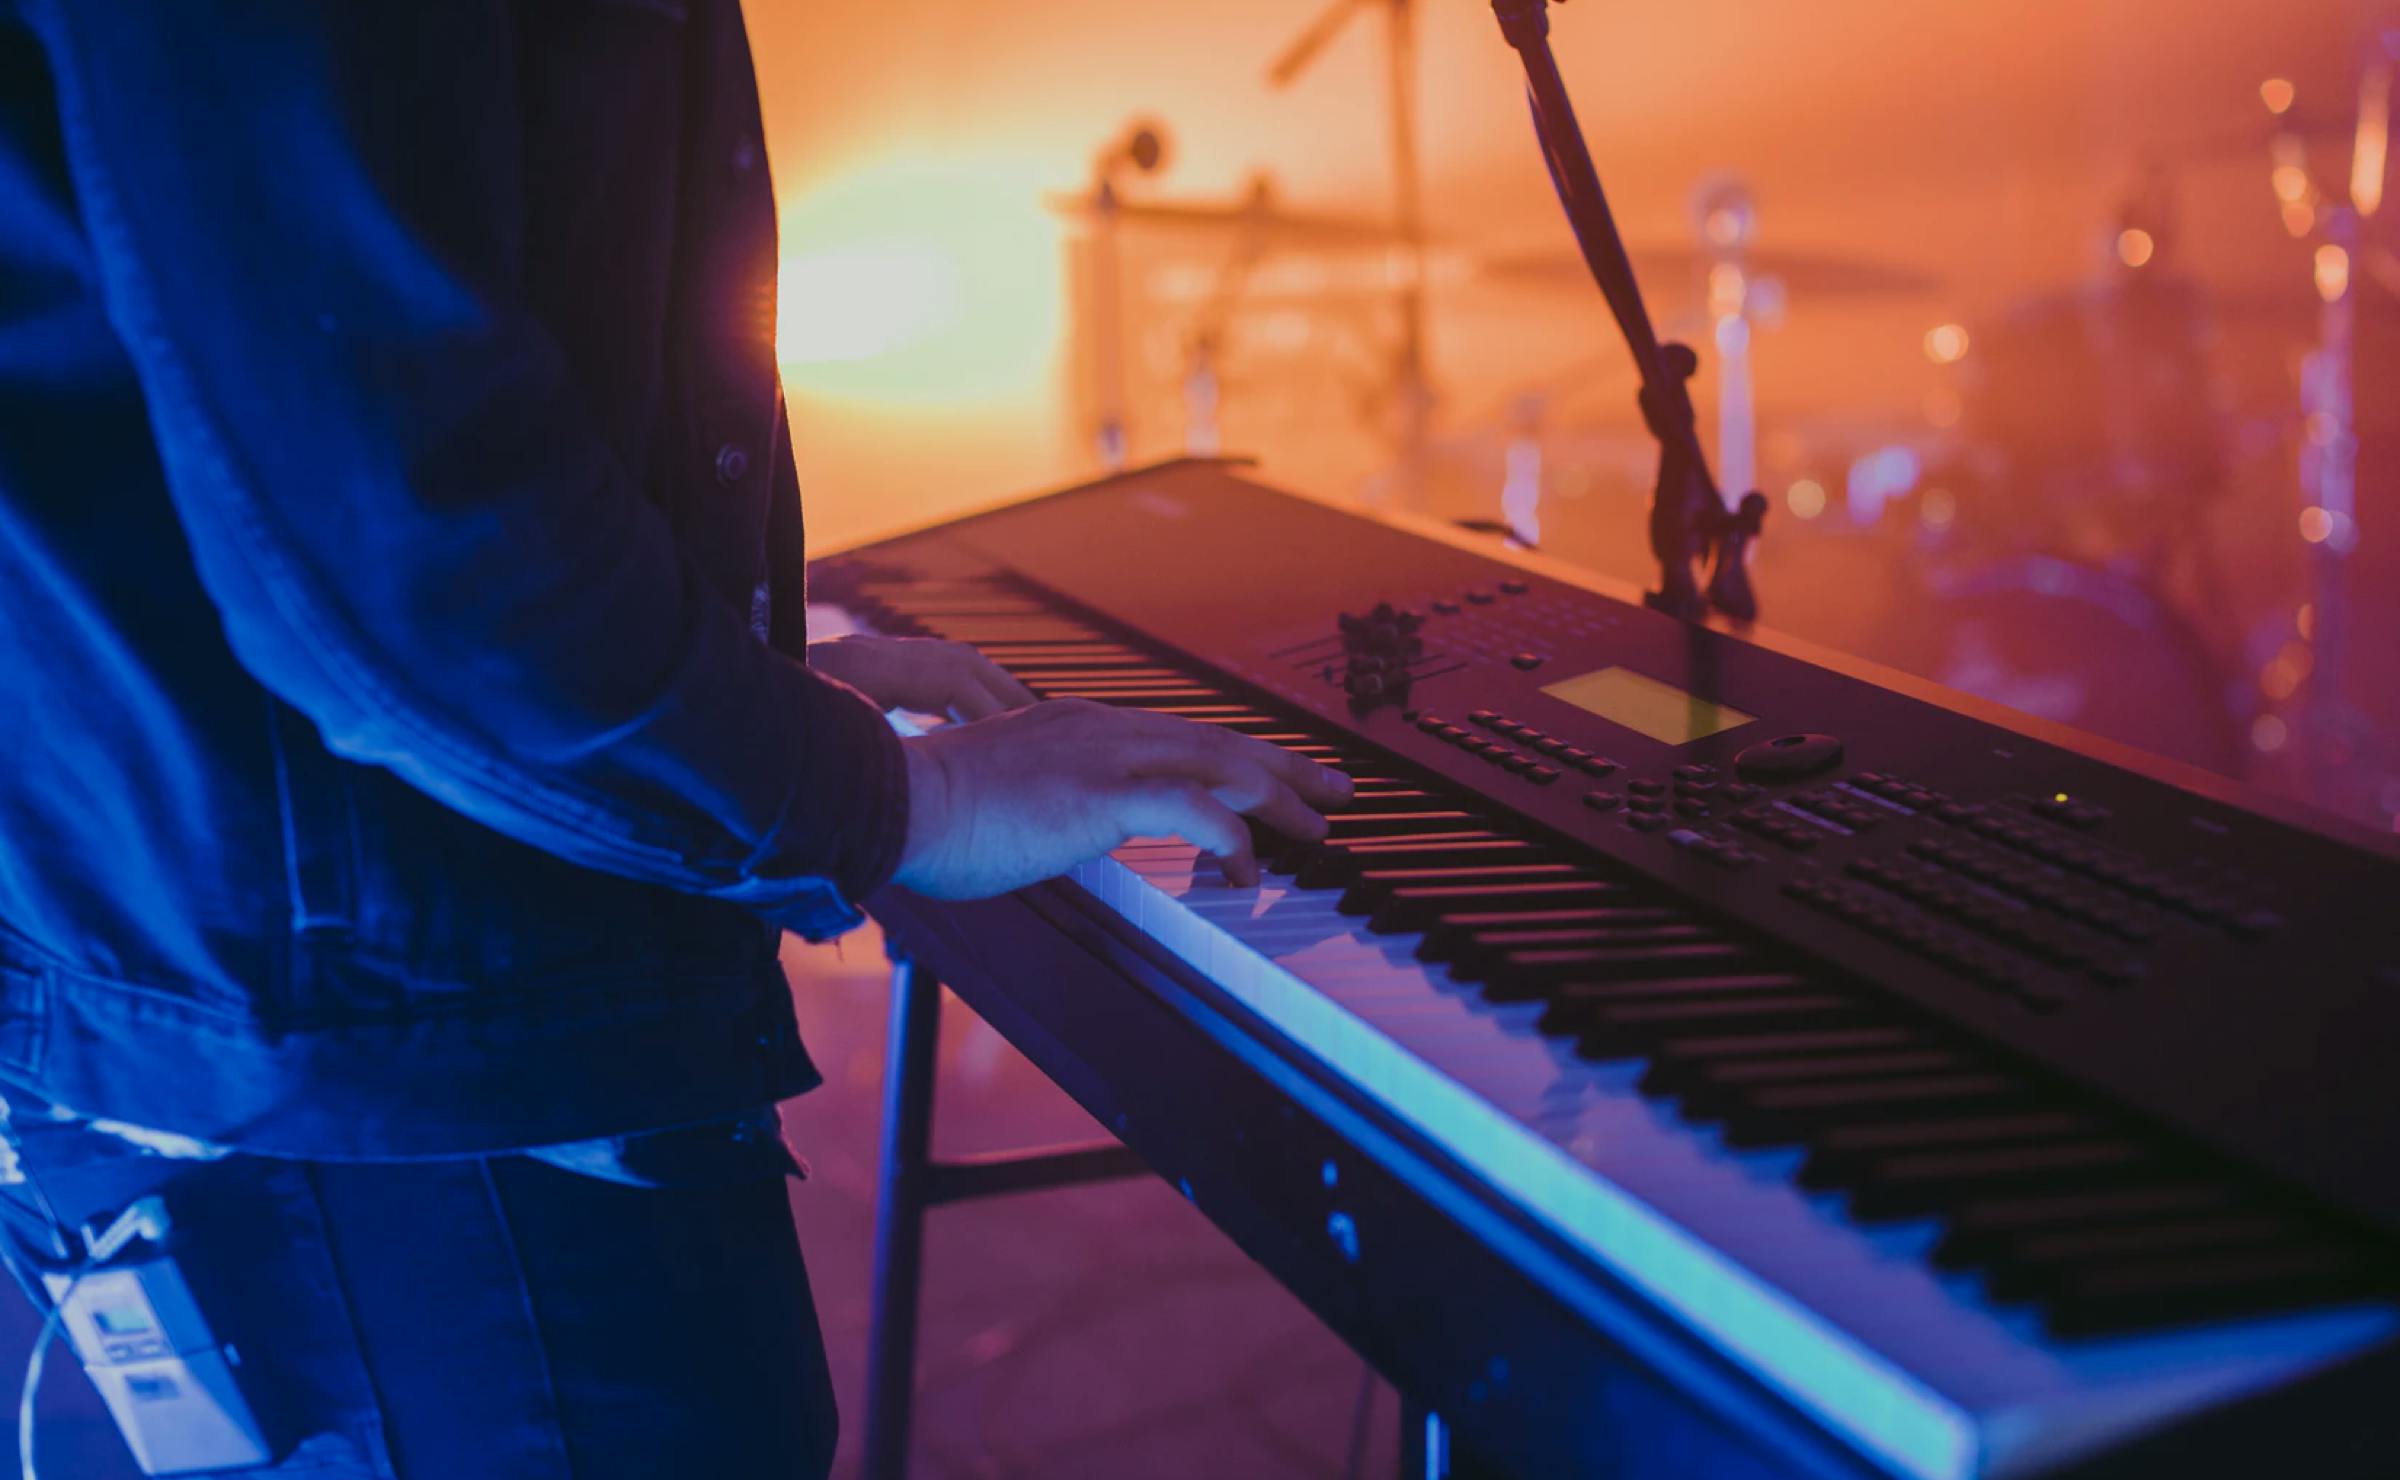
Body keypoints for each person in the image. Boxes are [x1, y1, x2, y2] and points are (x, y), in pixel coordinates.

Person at [0, 4, 1348, 1477]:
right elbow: (399, 543)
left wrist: (738, 690)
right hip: (391, 1051)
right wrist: (906, 798)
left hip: (339, 1007)